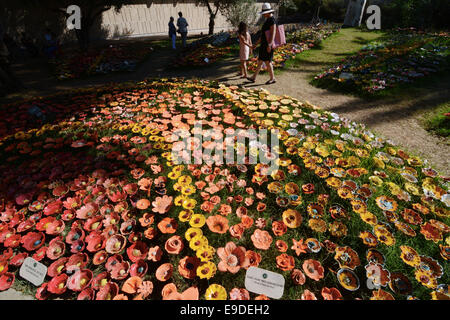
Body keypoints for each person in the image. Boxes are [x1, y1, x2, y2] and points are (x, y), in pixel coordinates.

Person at [247, 3, 277, 85]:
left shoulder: (272, 20)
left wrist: (270, 44)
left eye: (264, 13)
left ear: (268, 12)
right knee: (260, 61)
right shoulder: (268, 20)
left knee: (267, 61)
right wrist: (256, 44)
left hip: (267, 45)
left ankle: (272, 78)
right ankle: (254, 77)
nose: (263, 15)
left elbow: (273, 33)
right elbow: (263, 35)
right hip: (264, 45)